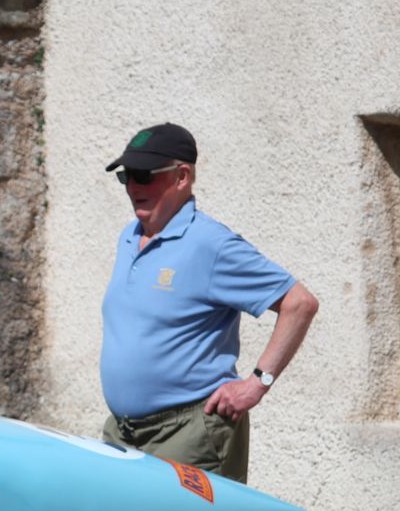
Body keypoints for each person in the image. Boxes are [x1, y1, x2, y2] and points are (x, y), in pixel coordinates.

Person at [98, 122, 318, 483]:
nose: (134, 187)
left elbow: (299, 304)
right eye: (127, 177)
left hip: (188, 435)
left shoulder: (210, 244)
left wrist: (257, 383)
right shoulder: (130, 236)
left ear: (182, 176)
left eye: (145, 175)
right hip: (123, 433)